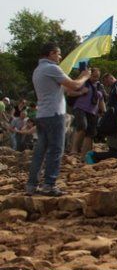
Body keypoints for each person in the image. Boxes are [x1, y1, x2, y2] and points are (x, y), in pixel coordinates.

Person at [27, 42, 91, 196]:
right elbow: (74, 85)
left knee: (40, 151)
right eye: (59, 53)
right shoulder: (51, 68)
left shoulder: (38, 70)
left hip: (42, 114)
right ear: (51, 53)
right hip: (54, 115)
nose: (60, 57)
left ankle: (31, 185)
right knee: (56, 149)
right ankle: (49, 184)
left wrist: (81, 91)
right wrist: (84, 77)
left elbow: (68, 90)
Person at [85, 91, 117, 164]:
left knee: (115, 153)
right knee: (114, 154)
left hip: (114, 134)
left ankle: (94, 159)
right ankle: (93, 155)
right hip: (116, 134)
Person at [68, 67, 104, 155]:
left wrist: (103, 111)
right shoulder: (82, 82)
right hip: (80, 108)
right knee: (82, 126)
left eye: (97, 77)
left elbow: (101, 100)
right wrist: (81, 92)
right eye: (94, 76)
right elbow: (69, 92)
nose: (95, 79)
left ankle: (85, 154)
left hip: (93, 111)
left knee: (90, 133)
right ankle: (74, 149)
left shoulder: (99, 86)